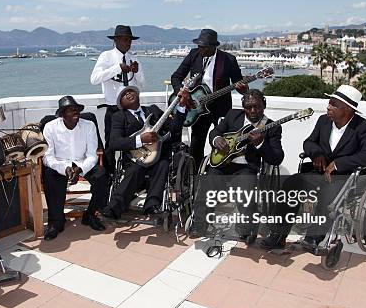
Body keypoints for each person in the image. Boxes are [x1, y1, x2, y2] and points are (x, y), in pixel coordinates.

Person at [260, 85, 366, 250]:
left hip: (345, 178)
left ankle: (313, 238)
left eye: (333, 104)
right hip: (318, 173)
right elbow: (309, 142)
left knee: (327, 195)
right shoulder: (324, 121)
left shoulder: (364, 127)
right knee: (290, 184)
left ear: (348, 109)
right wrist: (316, 154)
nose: (328, 106)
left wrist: (338, 164)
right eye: (329, 102)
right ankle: (278, 235)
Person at [193, 90, 284, 240]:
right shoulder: (233, 115)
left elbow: (277, 158)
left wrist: (260, 143)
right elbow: (215, 131)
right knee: (208, 182)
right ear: (243, 108)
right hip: (222, 164)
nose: (253, 111)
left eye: (257, 106)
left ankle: (246, 228)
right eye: (249, 107)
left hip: (246, 168)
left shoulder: (272, 127)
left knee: (246, 189)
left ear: (264, 106)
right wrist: (216, 139)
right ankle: (199, 224)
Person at [101, 86, 189, 219]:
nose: (129, 93)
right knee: (135, 169)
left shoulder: (152, 110)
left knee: (164, 165)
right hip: (134, 159)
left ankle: (152, 206)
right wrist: (140, 140)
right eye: (124, 94)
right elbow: (114, 143)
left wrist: (181, 107)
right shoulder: (119, 117)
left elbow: (174, 129)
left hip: (157, 157)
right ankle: (114, 207)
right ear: (121, 103)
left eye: (130, 91)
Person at [171, 29, 246, 167]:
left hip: (221, 109)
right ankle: (194, 177)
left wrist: (243, 89)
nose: (200, 49)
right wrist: (181, 92)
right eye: (199, 46)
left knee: (222, 143)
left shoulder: (228, 59)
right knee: (196, 143)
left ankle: (217, 172)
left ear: (213, 46)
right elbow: (176, 77)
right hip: (197, 108)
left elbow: (240, 85)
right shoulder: (193, 55)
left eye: (203, 47)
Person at [42, 96, 110, 240]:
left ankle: (90, 215)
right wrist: (64, 168)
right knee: (49, 177)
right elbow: (48, 157)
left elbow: (92, 155)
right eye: (70, 110)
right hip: (60, 164)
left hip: (83, 162)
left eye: (77, 109)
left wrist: (79, 169)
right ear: (62, 114)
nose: (76, 112)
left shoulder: (89, 125)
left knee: (102, 175)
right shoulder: (50, 127)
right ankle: (56, 221)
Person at [90, 25, 145, 173]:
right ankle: (109, 175)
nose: (128, 43)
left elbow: (142, 83)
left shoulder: (133, 58)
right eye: (125, 40)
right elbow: (94, 79)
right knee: (111, 144)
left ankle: (130, 175)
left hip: (131, 110)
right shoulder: (106, 56)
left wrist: (137, 72)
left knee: (132, 142)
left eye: (130, 40)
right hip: (113, 108)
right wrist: (117, 68)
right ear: (116, 40)